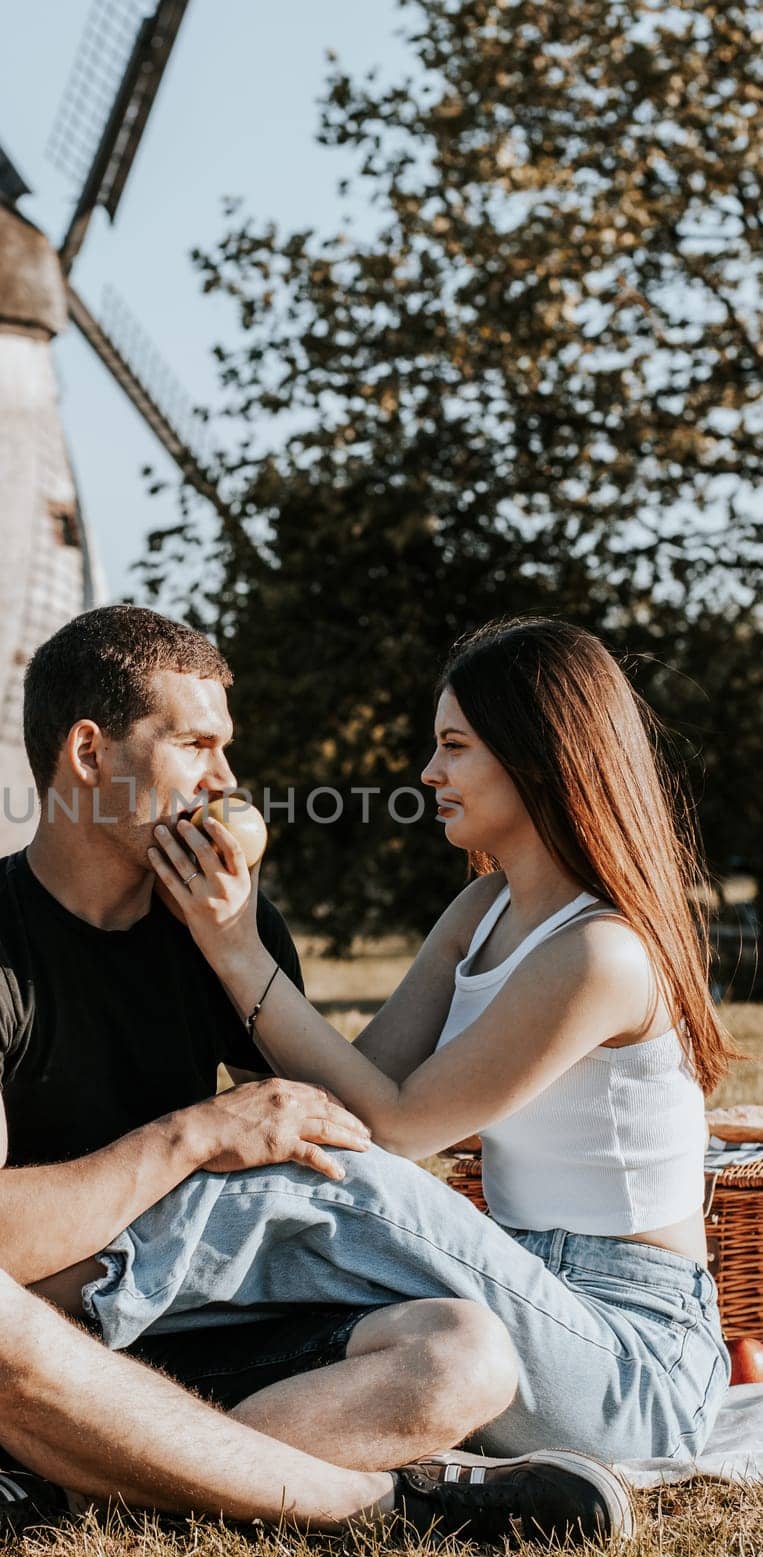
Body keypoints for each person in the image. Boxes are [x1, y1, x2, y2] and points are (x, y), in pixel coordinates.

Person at [0, 606, 634, 1557]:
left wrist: (244, 993)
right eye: (195, 745)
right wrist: (199, 1132)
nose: (224, 783)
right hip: (35, 1356)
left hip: (201, 1339)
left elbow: (308, 1178)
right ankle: (373, 1505)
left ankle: (46, 1492)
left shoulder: (226, 932)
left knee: (469, 1353)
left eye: (225, 749)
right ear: (88, 753)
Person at [75, 616, 732, 1466]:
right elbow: (356, 1092)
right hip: (521, 1291)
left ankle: (64, 1297)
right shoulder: (481, 912)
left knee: (363, 1192)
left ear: (538, 755)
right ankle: (100, 1395)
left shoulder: (599, 952)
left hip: (633, 1361)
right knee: (307, 1158)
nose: (429, 773)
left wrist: (234, 944)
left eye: (454, 747)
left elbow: (396, 1130)